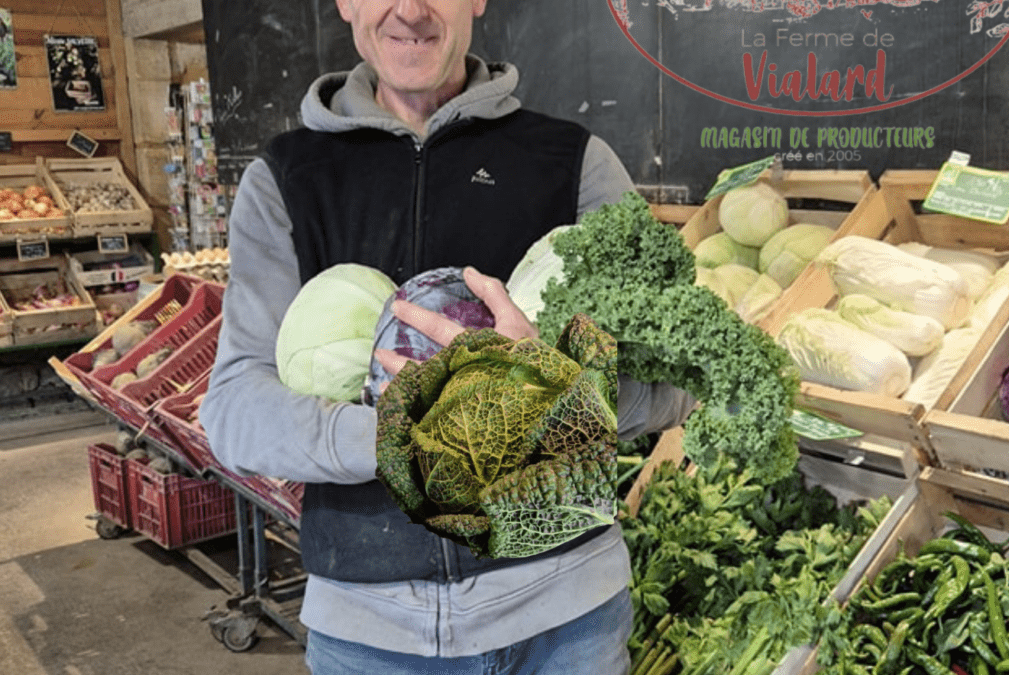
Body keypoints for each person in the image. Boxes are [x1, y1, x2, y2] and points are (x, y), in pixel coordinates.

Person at [199, 0, 694, 672]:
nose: (409, 10)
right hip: (371, 634)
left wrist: (544, 400)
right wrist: (411, 431)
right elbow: (234, 411)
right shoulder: (284, 179)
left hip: (564, 621)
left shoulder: (575, 163)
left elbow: (675, 381)